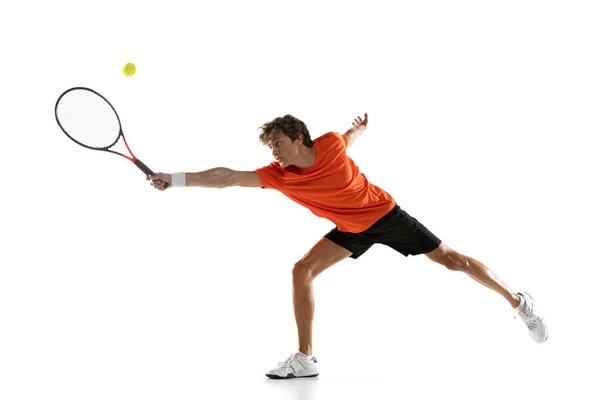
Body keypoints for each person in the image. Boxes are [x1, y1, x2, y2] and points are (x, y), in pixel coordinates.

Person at [147, 113, 548, 379]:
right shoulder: (278, 175)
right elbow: (226, 177)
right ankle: (305, 358)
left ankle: (518, 303)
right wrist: (175, 178)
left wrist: (359, 129)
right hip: (349, 227)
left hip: (385, 215)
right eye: (270, 147)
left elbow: (347, 138)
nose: (274, 153)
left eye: (279, 144)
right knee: (301, 270)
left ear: (299, 138)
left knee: (452, 261)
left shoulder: (332, 145)